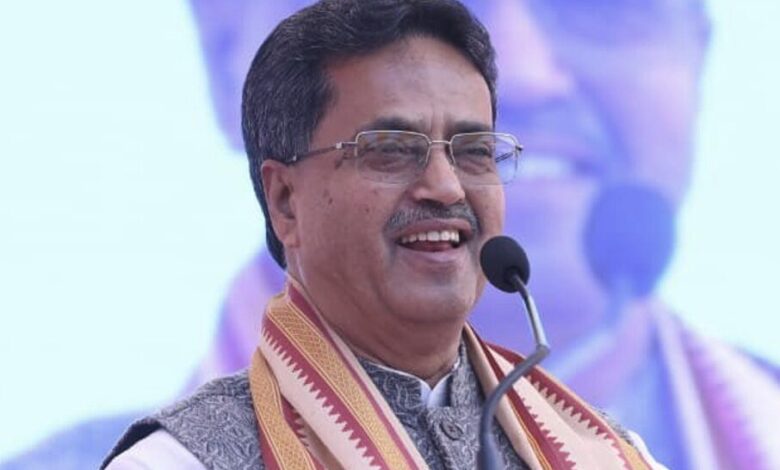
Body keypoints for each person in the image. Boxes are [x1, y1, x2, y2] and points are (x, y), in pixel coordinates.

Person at [101, 1, 664, 468]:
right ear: (285, 201)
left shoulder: (603, 452)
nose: (445, 187)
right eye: (391, 150)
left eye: (474, 151)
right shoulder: (180, 461)